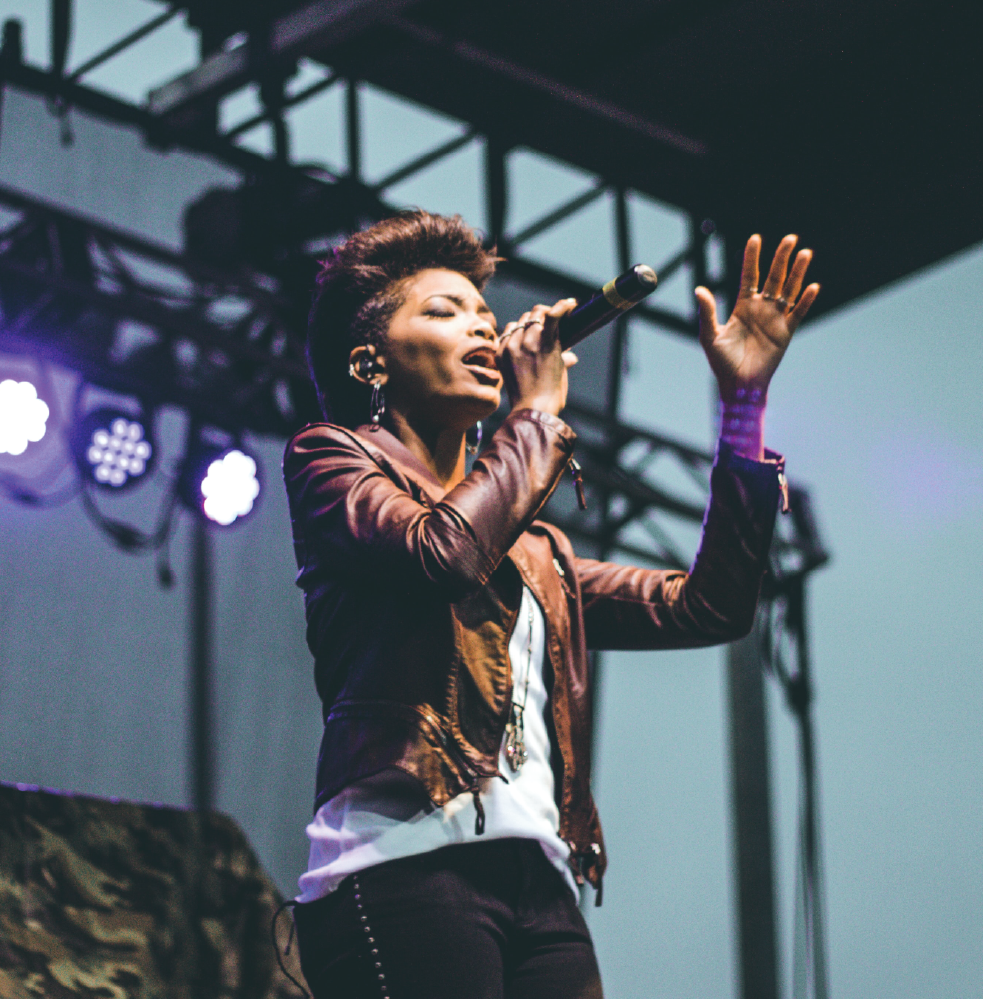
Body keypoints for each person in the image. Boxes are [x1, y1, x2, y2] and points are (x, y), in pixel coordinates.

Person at [283, 210, 818, 999]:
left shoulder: (539, 552)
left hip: (539, 883)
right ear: (371, 361)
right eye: (441, 311)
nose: (479, 329)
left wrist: (742, 406)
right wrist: (533, 416)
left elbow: (707, 609)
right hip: (402, 867)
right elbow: (443, 553)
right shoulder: (331, 459)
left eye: (484, 317)